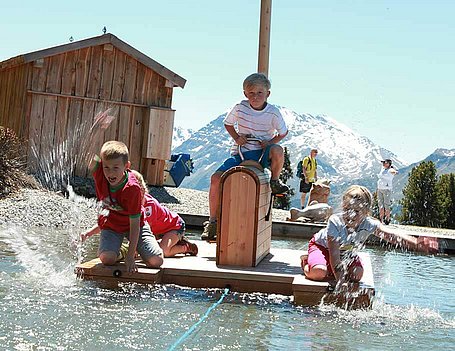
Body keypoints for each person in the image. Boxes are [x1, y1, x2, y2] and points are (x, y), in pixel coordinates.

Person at [201, 72, 289, 242]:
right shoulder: (240, 107)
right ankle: (212, 221)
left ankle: (275, 181)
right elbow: (228, 123)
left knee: (278, 150)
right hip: (241, 152)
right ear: (245, 94)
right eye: (251, 93)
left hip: (263, 152)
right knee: (215, 178)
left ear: (267, 94)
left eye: (259, 93)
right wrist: (237, 138)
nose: (255, 97)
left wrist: (269, 142)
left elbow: (283, 133)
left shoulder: (273, 113)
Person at [301, 185, 438, 284]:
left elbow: (391, 234)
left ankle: (327, 269)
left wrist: (416, 243)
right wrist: (340, 284)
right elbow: (334, 256)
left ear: (366, 212)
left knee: (357, 275)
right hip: (323, 247)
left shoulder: (368, 223)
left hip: (347, 253)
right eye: (348, 209)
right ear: (343, 207)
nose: (351, 215)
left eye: (357, 211)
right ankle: (306, 262)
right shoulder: (335, 222)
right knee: (319, 273)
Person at [81, 170, 198, 257]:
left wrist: (134, 251)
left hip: (174, 226)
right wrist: (88, 233)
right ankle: (172, 241)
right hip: (159, 230)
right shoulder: (128, 203)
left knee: (164, 252)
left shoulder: (150, 207)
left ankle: (186, 247)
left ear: (142, 190)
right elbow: (111, 221)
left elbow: (143, 232)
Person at [87, 140, 163, 272]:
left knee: (156, 261)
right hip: (112, 226)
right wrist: (99, 128)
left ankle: (134, 248)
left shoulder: (132, 188)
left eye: (116, 168)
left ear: (126, 166)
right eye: (107, 167)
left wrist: (130, 257)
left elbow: (134, 225)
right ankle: (122, 250)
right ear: (101, 165)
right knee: (107, 259)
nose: (110, 173)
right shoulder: (99, 173)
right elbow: (89, 154)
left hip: (135, 226)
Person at [377, 158, 398, 224]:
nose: (383, 164)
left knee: (386, 205)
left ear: (389, 164)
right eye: (383, 163)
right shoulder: (383, 170)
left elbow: (395, 172)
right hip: (380, 189)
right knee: (380, 204)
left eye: (385, 163)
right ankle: (381, 219)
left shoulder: (390, 170)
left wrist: (394, 172)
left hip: (387, 189)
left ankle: (387, 219)